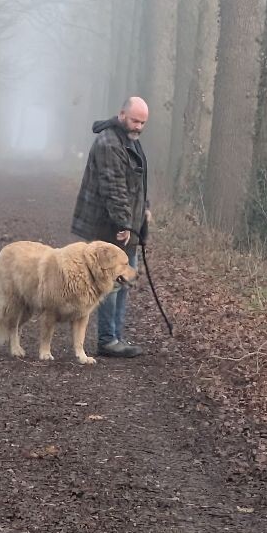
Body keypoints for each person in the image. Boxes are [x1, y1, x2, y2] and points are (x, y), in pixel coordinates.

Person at [70, 96, 151, 358]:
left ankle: (116, 335)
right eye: (135, 120)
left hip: (127, 228)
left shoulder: (129, 141)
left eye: (143, 122)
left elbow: (137, 182)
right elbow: (113, 187)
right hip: (110, 229)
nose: (138, 126)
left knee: (125, 280)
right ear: (121, 114)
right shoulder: (108, 142)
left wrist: (145, 209)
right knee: (111, 283)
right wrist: (124, 223)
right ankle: (107, 339)